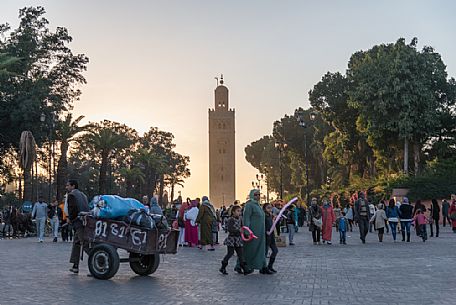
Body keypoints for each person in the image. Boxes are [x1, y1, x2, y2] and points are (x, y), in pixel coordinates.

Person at [236, 189, 270, 274]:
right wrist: (247, 231)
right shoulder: (249, 205)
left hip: (260, 232)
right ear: (252, 195)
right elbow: (246, 218)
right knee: (250, 249)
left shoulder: (258, 205)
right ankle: (242, 266)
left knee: (260, 250)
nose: (258, 196)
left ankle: (262, 266)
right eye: (256, 195)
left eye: (259, 194)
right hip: (252, 233)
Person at [67, 179, 89, 274]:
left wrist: (70, 219)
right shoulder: (83, 195)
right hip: (86, 220)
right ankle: (75, 265)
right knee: (76, 242)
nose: (67, 187)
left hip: (78, 222)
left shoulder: (71, 195)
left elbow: (73, 209)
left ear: (73, 186)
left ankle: (97, 263)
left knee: (84, 244)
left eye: (68, 185)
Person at [219, 205, 249, 275]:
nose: (239, 213)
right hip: (232, 239)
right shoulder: (231, 219)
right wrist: (238, 231)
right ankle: (223, 267)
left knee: (241, 254)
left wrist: (245, 234)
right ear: (233, 212)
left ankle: (244, 268)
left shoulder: (240, 219)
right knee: (230, 253)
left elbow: (242, 227)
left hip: (238, 239)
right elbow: (230, 229)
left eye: (240, 211)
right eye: (238, 211)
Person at [263, 202, 278, 272]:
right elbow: (262, 225)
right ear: (264, 209)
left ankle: (270, 266)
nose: (270, 209)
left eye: (270, 208)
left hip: (271, 236)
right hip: (266, 236)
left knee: (275, 251)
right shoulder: (263, 216)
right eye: (268, 208)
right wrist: (266, 231)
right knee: (265, 253)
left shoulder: (270, 215)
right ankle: (263, 268)